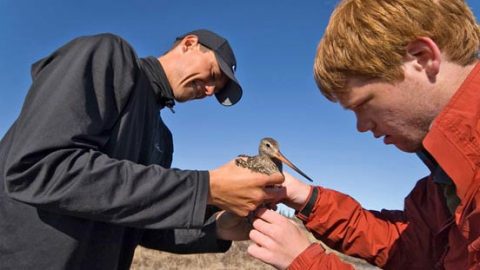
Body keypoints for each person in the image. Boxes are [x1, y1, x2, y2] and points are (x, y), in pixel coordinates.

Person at [0, 29, 284, 270]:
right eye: (212, 74)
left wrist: (217, 229)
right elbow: (38, 168)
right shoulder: (109, 56)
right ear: (189, 43)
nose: (209, 90)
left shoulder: (162, 137)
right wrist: (205, 188)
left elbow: (139, 222)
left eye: (216, 88)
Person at [247, 0, 480, 269]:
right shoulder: (447, 176)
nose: (361, 126)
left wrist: (307, 263)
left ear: (422, 58)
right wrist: (307, 198)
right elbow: (407, 244)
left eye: (363, 103)